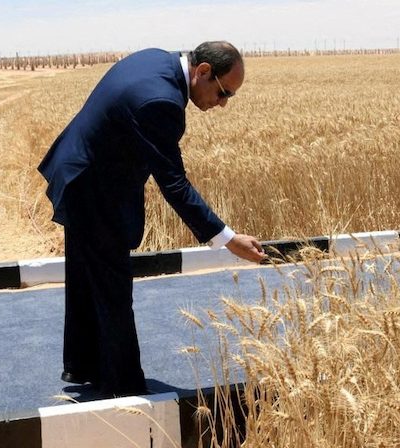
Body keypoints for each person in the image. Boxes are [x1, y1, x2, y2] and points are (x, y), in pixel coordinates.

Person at [38, 41, 266, 397]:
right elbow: (174, 184)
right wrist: (227, 239)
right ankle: (123, 388)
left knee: (87, 278)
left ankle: (88, 367)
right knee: (112, 286)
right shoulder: (161, 101)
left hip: (84, 172)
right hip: (93, 185)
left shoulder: (157, 60)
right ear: (203, 71)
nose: (222, 104)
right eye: (224, 93)